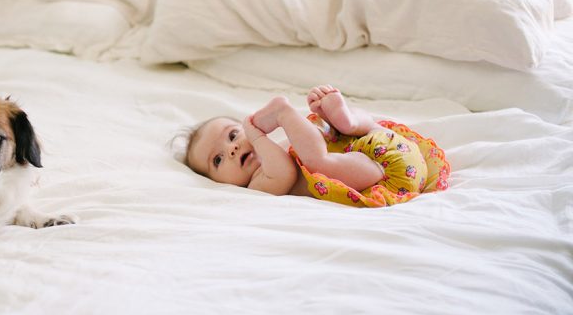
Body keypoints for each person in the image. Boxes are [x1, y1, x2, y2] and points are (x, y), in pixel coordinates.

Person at [181, 85, 450, 207]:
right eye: (217, 160)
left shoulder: (282, 145)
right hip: (387, 174)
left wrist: (326, 120)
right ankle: (342, 121)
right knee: (318, 163)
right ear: (216, 181)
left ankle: (346, 121)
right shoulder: (258, 185)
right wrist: (262, 132)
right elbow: (285, 171)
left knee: (343, 130)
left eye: (233, 135)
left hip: (379, 149)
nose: (232, 150)